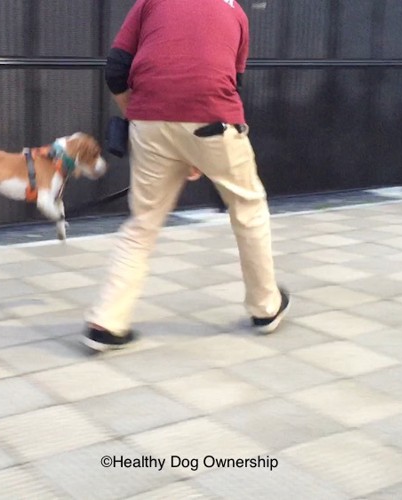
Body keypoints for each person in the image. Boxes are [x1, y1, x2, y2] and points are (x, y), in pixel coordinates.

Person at [83, 0, 289, 351]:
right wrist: (194, 149)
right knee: (248, 208)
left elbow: (116, 69)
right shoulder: (236, 12)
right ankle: (265, 307)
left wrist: (141, 116)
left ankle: (107, 320)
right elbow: (230, 82)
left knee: (143, 223)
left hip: (149, 119)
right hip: (213, 120)